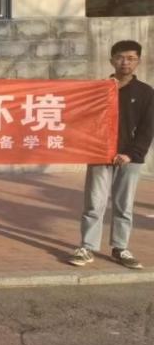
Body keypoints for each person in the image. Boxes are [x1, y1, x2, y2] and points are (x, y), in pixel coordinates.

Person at [69, 39, 153, 269]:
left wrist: (131, 153)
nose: (125, 62)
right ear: (111, 60)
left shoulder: (145, 92)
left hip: (130, 159)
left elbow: (147, 129)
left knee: (123, 205)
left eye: (131, 58)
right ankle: (87, 247)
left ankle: (120, 247)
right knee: (94, 203)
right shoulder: (98, 90)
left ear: (138, 61)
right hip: (99, 155)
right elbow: (83, 120)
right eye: (120, 58)